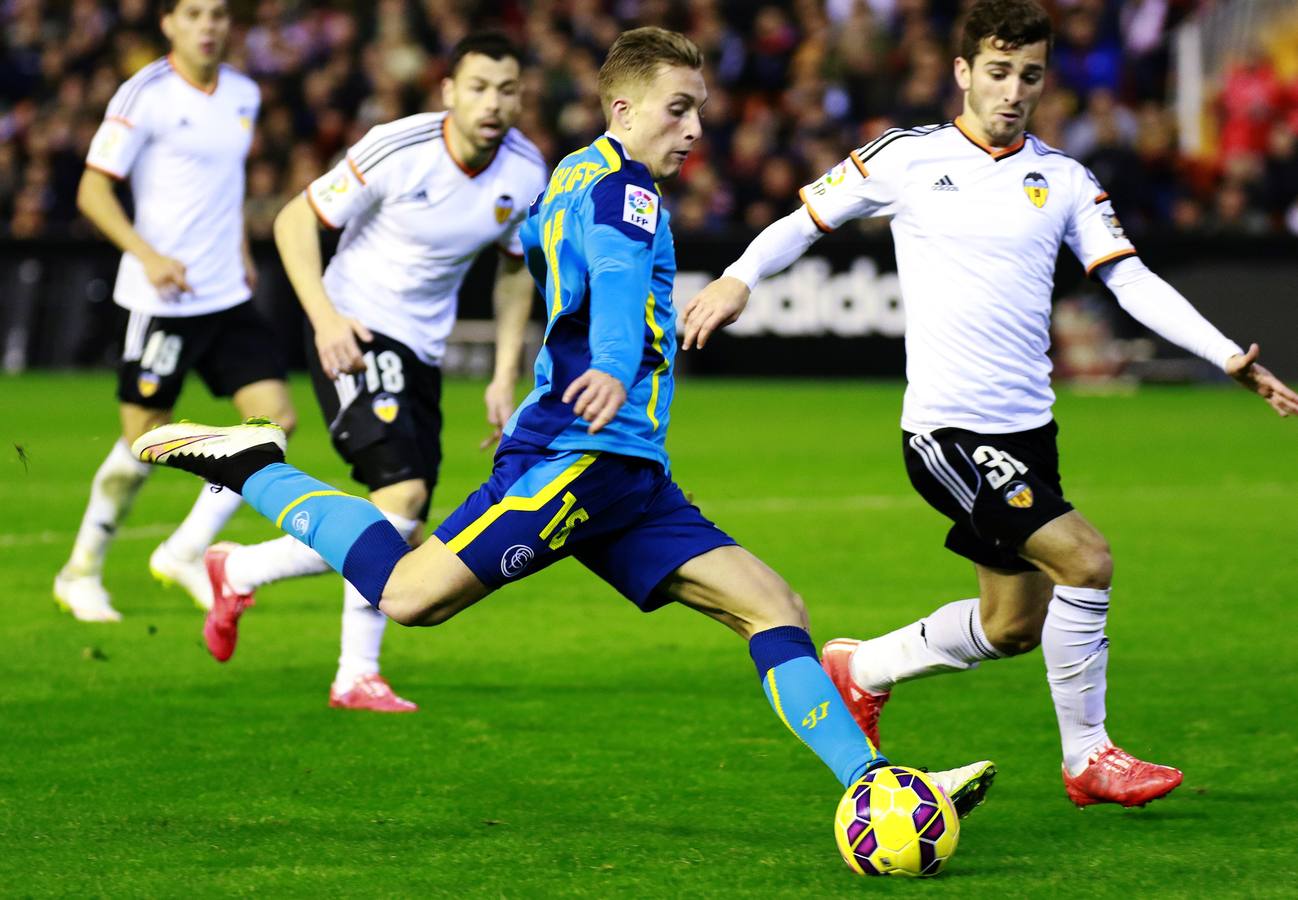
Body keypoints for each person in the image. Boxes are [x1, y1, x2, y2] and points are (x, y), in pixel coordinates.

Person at [131, 27, 996, 813]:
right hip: (578, 458)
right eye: (678, 109)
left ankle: (878, 789)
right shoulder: (627, 191)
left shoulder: (568, 176)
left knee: (774, 606)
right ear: (624, 108)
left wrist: (530, 367)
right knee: (408, 597)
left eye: (701, 110)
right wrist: (615, 367)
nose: (695, 129)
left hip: (630, 473)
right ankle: (252, 466)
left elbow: (550, 276)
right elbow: (616, 285)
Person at [683, 0, 1298, 808]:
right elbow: (804, 222)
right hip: (947, 431)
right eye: (999, 72)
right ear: (964, 72)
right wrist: (736, 276)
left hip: (1028, 431)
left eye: (1031, 76)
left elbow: (1129, 278)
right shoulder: (906, 158)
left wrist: (1225, 354)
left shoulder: (1066, 178)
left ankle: (858, 669)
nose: (1014, 91)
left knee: (1013, 626)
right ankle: (1089, 758)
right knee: (1088, 560)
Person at [198, 33, 547, 714]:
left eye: (507, 90)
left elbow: (514, 274)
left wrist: (507, 372)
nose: (493, 103)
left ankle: (240, 567)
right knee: (404, 492)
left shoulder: (527, 171)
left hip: (421, 350)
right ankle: (354, 674)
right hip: (355, 325)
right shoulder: (400, 145)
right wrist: (326, 319)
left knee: (402, 532)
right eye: (478, 87)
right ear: (448, 90)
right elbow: (297, 220)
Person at [54, 0, 295, 623]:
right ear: (169, 24)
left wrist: (239, 245)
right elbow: (92, 189)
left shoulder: (242, 92)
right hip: (162, 301)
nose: (208, 25)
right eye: (193, 14)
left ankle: (187, 550)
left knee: (276, 422)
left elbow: (225, 183)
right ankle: (80, 570)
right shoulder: (144, 95)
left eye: (217, 14)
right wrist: (148, 254)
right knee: (141, 444)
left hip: (226, 294)